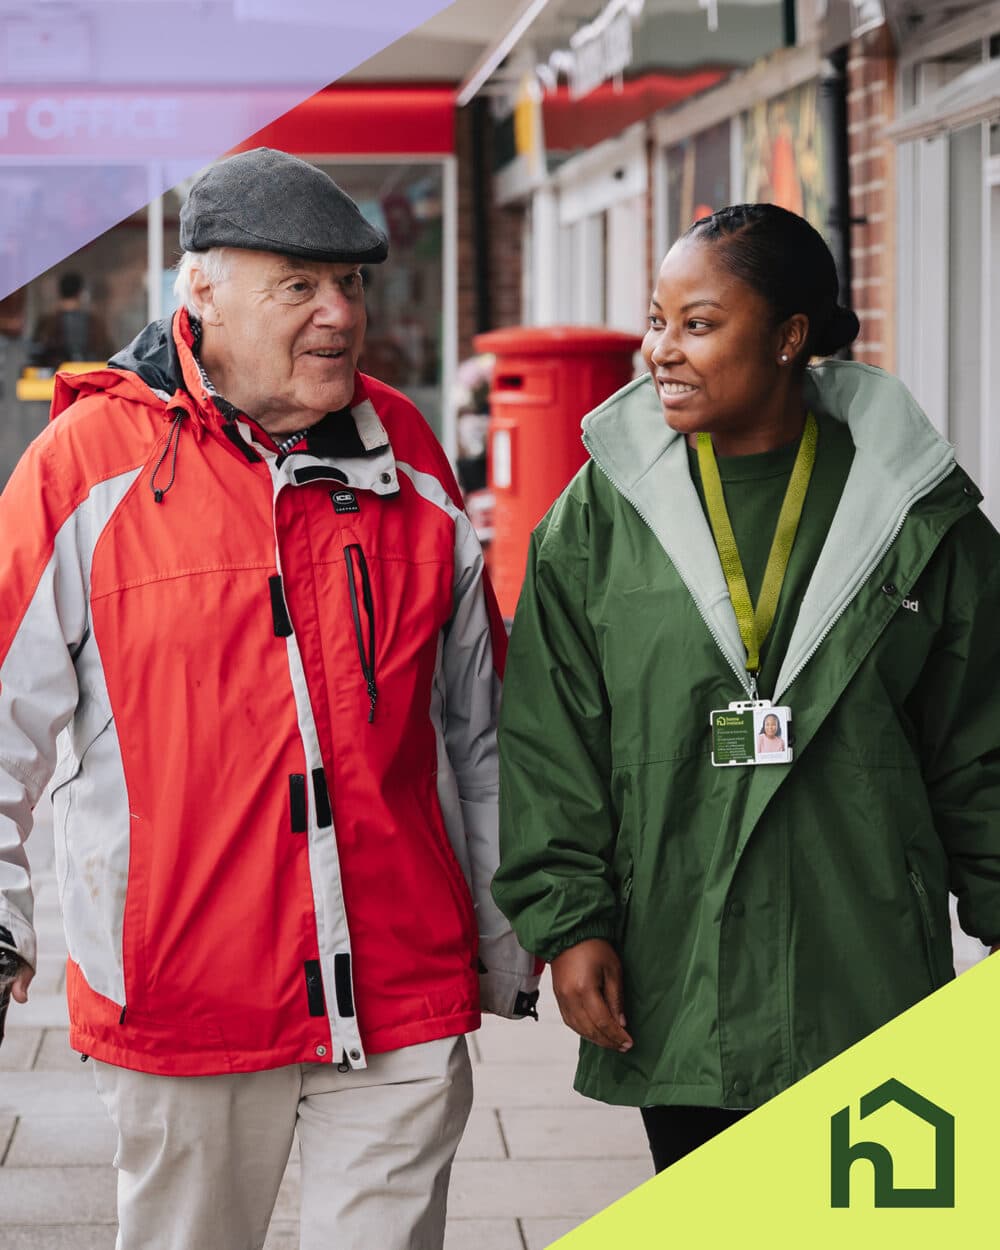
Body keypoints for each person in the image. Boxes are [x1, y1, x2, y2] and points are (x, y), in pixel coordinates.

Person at [0, 147, 538, 1250]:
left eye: (351, 284)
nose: (339, 313)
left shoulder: (411, 455)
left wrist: (511, 931)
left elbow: (476, 723)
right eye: (299, 284)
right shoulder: (82, 465)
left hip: (401, 990)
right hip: (183, 996)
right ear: (200, 291)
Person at [492, 202, 1000, 1175]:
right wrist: (572, 921)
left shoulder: (914, 512)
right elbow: (551, 738)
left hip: (866, 962)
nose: (662, 352)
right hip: (680, 967)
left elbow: (979, 743)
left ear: (788, 337)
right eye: (655, 320)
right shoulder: (599, 517)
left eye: (698, 322)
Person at [27, 270, 112, 368]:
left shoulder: (47, 323)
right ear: (80, 293)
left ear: (59, 292)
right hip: (88, 377)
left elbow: (35, 357)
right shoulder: (95, 324)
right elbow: (107, 355)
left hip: (54, 380)